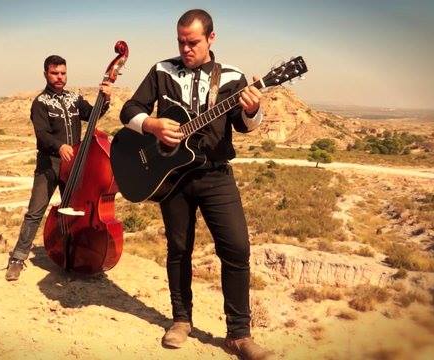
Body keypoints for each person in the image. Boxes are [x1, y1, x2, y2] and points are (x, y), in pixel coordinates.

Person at [119, 9, 270, 359]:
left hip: (215, 175)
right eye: (181, 42)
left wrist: (252, 109)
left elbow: (245, 126)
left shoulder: (231, 77)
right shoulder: (161, 70)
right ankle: (181, 320)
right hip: (172, 178)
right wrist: (153, 126)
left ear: (211, 38)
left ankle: (238, 334)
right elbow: (129, 110)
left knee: (236, 249)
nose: (186, 48)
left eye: (193, 42)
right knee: (179, 249)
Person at [5, 55, 112, 280]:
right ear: (46, 74)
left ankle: (75, 258)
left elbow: (93, 115)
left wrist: (106, 99)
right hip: (49, 165)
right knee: (35, 212)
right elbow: (42, 135)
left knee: (74, 213)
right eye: (55, 73)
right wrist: (59, 145)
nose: (59, 77)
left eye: (63, 73)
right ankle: (18, 257)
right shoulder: (40, 103)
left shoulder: (74, 98)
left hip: (74, 164)